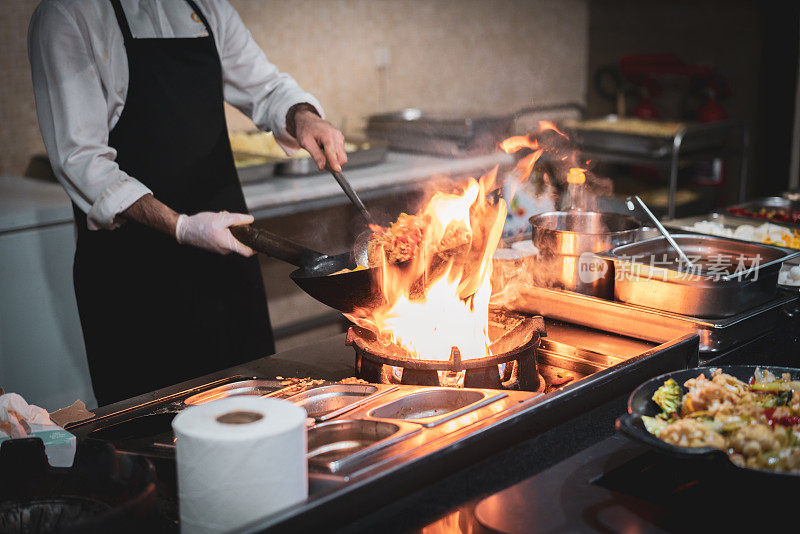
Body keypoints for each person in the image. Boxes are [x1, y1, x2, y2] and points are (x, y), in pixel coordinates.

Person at [28, 0, 347, 405]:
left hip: (225, 252)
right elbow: (81, 160)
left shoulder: (206, 6)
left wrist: (303, 116)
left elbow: (266, 87)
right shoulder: (68, 15)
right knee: (154, 431)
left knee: (259, 406)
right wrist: (182, 226)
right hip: (133, 276)